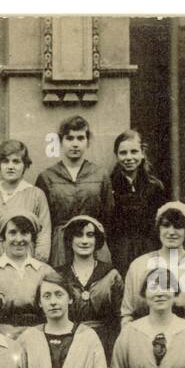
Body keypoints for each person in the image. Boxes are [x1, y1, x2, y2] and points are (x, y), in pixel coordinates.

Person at [121, 202, 185, 330]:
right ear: (158, 229)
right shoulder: (139, 265)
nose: (171, 232)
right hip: (145, 339)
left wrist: (182, 334)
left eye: (178, 226)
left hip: (184, 341)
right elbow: (127, 314)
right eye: (166, 225)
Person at [35, 115, 113, 269]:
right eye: (69, 138)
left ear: (87, 141)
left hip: (92, 241)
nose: (75, 144)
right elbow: (42, 220)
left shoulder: (100, 174)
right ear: (61, 141)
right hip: (60, 245)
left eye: (80, 138)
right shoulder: (47, 177)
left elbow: (108, 214)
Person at [0, 213, 52, 338]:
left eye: (24, 233)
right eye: (12, 233)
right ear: (3, 236)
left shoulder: (45, 271)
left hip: (39, 336)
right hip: (1, 336)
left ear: (31, 237)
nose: (19, 239)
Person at [58, 215, 123, 355]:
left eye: (90, 235)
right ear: (70, 240)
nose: (84, 241)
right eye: (79, 235)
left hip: (105, 343)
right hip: (69, 343)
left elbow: (120, 316)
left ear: (97, 240)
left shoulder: (111, 275)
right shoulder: (60, 275)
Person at [106, 130, 168, 276]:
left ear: (142, 153)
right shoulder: (109, 186)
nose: (129, 158)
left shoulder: (155, 187)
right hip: (121, 251)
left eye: (134, 152)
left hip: (150, 248)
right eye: (123, 153)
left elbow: (161, 224)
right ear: (116, 155)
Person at [0, 139, 51, 265]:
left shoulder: (36, 195)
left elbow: (44, 233)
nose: (10, 166)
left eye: (16, 161)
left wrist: (37, 264)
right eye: (5, 161)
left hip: (25, 258)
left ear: (25, 165)